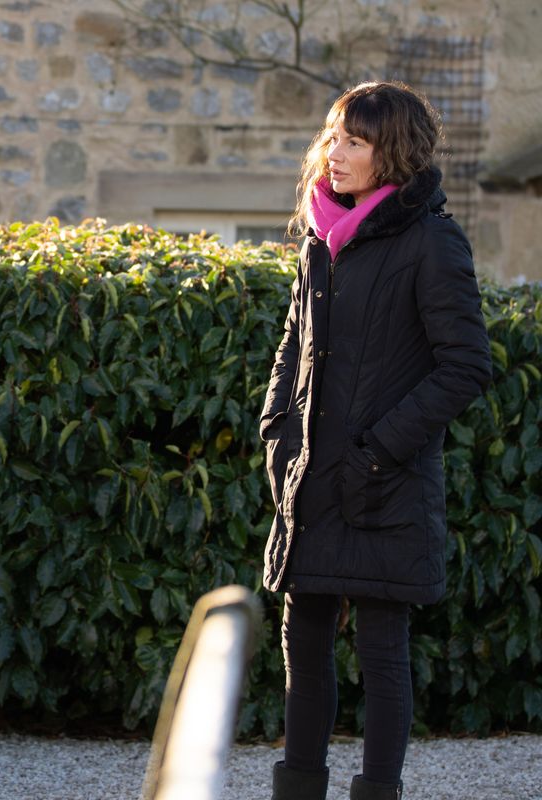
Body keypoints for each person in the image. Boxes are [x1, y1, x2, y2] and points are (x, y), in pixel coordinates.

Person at [260, 81, 491, 800]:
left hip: (383, 483)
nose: (336, 152)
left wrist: (378, 448)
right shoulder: (319, 240)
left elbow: (466, 366)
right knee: (304, 649)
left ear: (390, 152)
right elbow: (294, 345)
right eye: (334, 136)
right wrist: (277, 429)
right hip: (312, 478)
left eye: (355, 140)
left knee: (382, 655)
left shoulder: (432, 241)